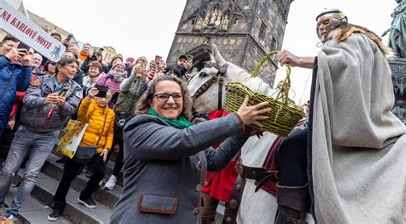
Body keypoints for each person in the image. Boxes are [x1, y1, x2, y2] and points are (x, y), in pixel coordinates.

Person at [276, 8, 406, 223]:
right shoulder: (363, 41)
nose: (320, 27)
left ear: (341, 22)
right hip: (373, 119)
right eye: (317, 24)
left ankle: (289, 218)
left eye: (325, 21)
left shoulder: (349, 38)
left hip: (356, 125)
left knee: (289, 148)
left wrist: (298, 60)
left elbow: (343, 63)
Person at [110, 75, 270, 223]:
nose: (171, 101)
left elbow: (215, 160)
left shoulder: (185, 128)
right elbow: (182, 141)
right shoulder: (139, 126)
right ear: (151, 102)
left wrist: (245, 130)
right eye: (163, 96)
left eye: (177, 96)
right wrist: (236, 120)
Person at [0, 57, 82, 221]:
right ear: (60, 67)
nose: (74, 70)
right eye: (71, 66)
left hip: (48, 136)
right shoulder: (41, 79)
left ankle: (14, 211)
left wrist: (61, 103)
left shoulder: (76, 88)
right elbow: (28, 100)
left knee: (31, 175)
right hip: (26, 131)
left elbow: (72, 110)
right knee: (9, 170)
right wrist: (45, 100)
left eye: (76, 68)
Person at [48, 85, 114, 221]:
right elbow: (81, 114)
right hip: (80, 146)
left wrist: (107, 147)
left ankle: (85, 195)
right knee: (67, 177)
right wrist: (88, 97)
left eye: (106, 98)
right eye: (100, 97)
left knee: (100, 173)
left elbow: (110, 132)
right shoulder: (90, 105)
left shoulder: (111, 113)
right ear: (96, 97)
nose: (103, 100)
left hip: (98, 149)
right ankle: (58, 205)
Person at [102, 63, 148, 191]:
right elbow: (124, 87)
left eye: (142, 68)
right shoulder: (127, 79)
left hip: (132, 119)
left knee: (123, 150)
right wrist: (134, 75)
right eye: (137, 68)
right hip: (119, 117)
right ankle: (100, 172)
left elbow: (144, 95)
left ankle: (113, 176)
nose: (139, 70)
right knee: (110, 145)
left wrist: (144, 79)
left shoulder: (144, 82)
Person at [0, 36, 32, 137]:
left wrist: (26, 66)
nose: (13, 50)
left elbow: (22, 87)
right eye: (9, 46)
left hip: (2, 112)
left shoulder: (16, 68)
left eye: (16, 48)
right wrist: (6, 58)